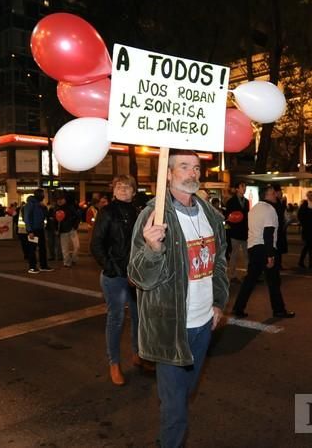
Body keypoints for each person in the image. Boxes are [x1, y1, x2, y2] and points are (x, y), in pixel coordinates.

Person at [128, 149, 227, 448]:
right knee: (175, 410)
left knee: (183, 396)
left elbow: (220, 261)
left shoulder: (210, 213)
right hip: (170, 327)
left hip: (203, 324)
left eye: (196, 168)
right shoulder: (153, 215)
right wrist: (152, 249)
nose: (192, 173)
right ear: (168, 174)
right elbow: (137, 276)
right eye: (183, 167)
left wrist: (219, 303)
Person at [91, 175, 150, 385]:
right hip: (114, 277)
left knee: (138, 317)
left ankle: (138, 354)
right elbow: (96, 245)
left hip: (136, 275)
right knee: (115, 320)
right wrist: (113, 268)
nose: (124, 189)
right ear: (113, 191)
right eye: (119, 186)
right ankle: (114, 363)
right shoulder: (107, 212)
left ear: (134, 192)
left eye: (128, 187)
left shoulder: (138, 212)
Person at [231, 185, 295, 319]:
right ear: (266, 195)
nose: (275, 196)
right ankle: (278, 310)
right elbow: (268, 234)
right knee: (273, 281)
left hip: (253, 247)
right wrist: (270, 255)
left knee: (250, 280)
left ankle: (238, 307)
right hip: (264, 248)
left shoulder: (254, 209)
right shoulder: (269, 209)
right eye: (272, 193)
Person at [224, 181, 249, 282]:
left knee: (247, 254)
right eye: (242, 186)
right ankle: (232, 275)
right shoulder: (231, 202)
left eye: (245, 186)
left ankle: (249, 274)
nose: (244, 188)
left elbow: (247, 216)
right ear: (237, 189)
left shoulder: (246, 201)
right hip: (235, 231)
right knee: (234, 254)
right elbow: (228, 217)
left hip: (245, 231)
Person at [24, 189, 53, 274]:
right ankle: (32, 267)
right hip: (33, 230)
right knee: (32, 249)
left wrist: (44, 208)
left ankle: (43, 266)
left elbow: (45, 215)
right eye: (42, 194)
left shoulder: (40, 205)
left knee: (42, 248)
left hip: (40, 229)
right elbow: (27, 218)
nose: (44, 196)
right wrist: (30, 231)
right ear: (38, 195)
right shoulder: (30, 204)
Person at [297, 190, 312, 268]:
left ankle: (311, 263)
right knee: (307, 245)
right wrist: (304, 223)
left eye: (311, 195)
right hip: (307, 228)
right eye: (309, 195)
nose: (310, 197)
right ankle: (301, 262)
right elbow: (300, 215)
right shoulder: (304, 204)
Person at [56, 193, 80, 268]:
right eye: (58, 200)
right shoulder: (55, 208)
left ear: (64, 200)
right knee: (64, 248)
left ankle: (74, 259)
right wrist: (56, 229)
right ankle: (66, 262)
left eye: (61, 199)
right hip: (63, 230)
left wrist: (75, 226)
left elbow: (77, 217)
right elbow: (53, 220)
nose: (60, 201)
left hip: (72, 229)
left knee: (77, 246)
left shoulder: (70, 207)